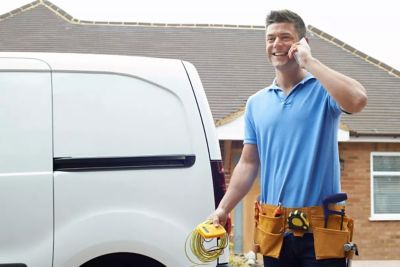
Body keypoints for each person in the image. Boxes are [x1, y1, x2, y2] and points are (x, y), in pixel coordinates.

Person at [210, 9, 367, 267]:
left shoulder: (324, 91)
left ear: (303, 43)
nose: (276, 44)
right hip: (275, 229)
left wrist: (310, 62)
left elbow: (358, 99)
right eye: (271, 38)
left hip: (322, 231)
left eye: (285, 37)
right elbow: (248, 164)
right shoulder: (256, 103)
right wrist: (223, 208)